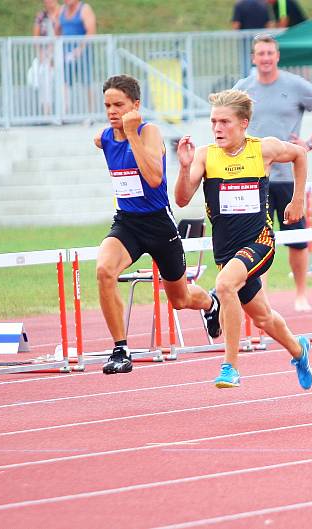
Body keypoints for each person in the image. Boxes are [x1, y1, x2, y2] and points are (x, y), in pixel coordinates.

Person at [174, 89, 312, 391]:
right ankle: (299, 349)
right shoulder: (205, 156)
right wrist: (184, 168)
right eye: (214, 122)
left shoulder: (263, 149)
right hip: (226, 248)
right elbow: (183, 199)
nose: (217, 128)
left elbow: (300, 155)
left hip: (259, 241)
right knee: (263, 317)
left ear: (244, 124)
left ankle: (230, 367)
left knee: (224, 286)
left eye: (225, 122)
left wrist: (297, 199)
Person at [94, 75, 219, 375]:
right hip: (127, 224)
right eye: (107, 105)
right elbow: (100, 140)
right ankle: (120, 349)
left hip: (159, 225)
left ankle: (211, 304)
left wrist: (131, 133)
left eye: (119, 105)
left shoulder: (149, 132)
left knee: (180, 299)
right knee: (104, 270)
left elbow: (153, 179)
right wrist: (108, 137)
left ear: (135, 106)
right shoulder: (105, 137)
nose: (112, 111)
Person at [233, 34, 312, 312]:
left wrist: (309, 144)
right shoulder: (243, 88)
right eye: (260, 54)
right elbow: (226, 118)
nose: (265, 58)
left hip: (289, 176)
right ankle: (261, 295)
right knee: (257, 239)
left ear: (277, 56)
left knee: (296, 239)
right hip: (254, 177)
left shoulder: (295, 85)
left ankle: (301, 293)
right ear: (253, 58)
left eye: (270, 53)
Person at [58, 0, 96, 115]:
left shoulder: (84, 9)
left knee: (87, 82)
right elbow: (57, 30)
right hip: (66, 53)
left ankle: (91, 113)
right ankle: (64, 113)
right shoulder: (62, 10)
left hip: (83, 52)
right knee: (64, 82)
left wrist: (80, 49)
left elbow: (91, 31)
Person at [32, 0, 61, 116]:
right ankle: (46, 112)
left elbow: (61, 35)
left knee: (58, 80)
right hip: (44, 56)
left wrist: (52, 56)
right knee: (42, 76)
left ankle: (62, 112)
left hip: (59, 54)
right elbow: (36, 38)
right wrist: (41, 55)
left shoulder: (62, 13)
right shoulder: (41, 16)